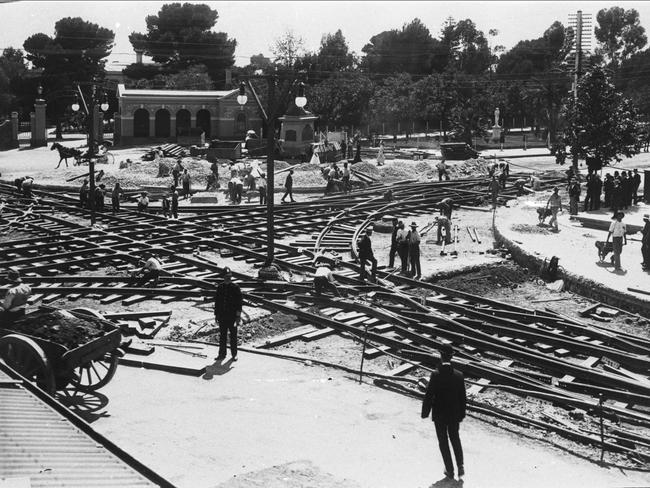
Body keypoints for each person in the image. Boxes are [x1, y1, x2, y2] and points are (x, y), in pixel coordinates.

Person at [421, 344, 466, 480]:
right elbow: (462, 398)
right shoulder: (459, 376)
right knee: (455, 438)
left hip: (439, 414)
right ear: (451, 357)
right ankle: (460, 465)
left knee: (443, 441)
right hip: (454, 414)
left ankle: (450, 470)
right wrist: (461, 414)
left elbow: (429, 395)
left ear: (441, 356)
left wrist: (425, 412)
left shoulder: (435, 375)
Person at [214, 267, 243, 361]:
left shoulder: (235, 287)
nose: (228, 278)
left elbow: (239, 303)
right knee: (222, 336)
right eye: (226, 277)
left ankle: (234, 354)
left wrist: (238, 316)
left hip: (232, 317)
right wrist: (216, 315)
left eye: (229, 276)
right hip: (222, 316)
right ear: (223, 277)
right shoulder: (220, 287)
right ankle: (222, 354)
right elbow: (217, 302)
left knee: (233, 336)